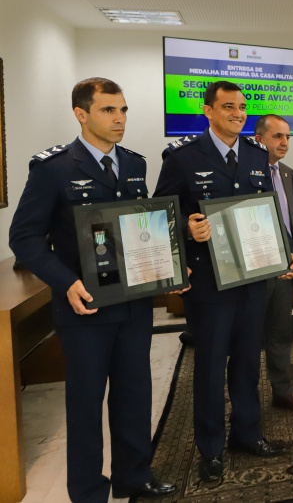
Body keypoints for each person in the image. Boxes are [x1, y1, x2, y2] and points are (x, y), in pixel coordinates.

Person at [8, 78, 176, 502]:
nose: (119, 119)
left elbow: (141, 224)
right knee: (85, 405)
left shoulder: (134, 164)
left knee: (135, 394)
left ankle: (133, 476)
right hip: (85, 309)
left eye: (122, 110)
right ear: (81, 114)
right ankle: (87, 492)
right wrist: (66, 282)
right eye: (108, 111)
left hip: (134, 302)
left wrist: (166, 265)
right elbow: (24, 237)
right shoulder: (54, 168)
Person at [154, 81, 293, 482]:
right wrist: (187, 227)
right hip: (210, 285)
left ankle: (248, 434)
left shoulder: (255, 155)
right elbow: (161, 214)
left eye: (242, 107)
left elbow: (267, 211)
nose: (237, 113)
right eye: (228, 106)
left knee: (249, 361)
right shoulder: (182, 157)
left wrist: (286, 251)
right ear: (208, 110)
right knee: (212, 367)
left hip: (252, 278)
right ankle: (211, 448)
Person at [252, 114, 293, 411]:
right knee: (249, 338)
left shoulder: (288, 174)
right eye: (278, 136)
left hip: (286, 268)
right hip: (255, 270)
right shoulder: (245, 174)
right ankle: (247, 398)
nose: (285, 142)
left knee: (280, 333)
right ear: (259, 138)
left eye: (288, 137)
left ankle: (283, 391)